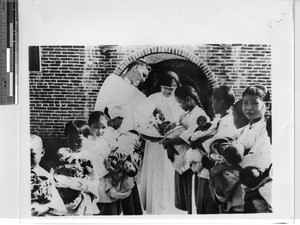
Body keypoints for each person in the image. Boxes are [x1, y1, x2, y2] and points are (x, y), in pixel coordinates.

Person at [140, 71, 184, 214]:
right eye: (165, 88)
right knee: (156, 171)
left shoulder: (178, 100)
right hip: (155, 144)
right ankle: (155, 207)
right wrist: (155, 127)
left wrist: (173, 127)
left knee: (169, 172)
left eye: (171, 89)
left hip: (172, 143)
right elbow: (144, 119)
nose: (168, 91)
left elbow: (182, 120)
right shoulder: (152, 99)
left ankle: (171, 207)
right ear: (160, 86)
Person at [162, 85, 210, 214]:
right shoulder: (187, 114)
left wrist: (168, 143)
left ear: (188, 99)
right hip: (181, 155)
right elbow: (177, 130)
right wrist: (170, 145)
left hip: (191, 159)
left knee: (192, 194)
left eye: (180, 102)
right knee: (184, 193)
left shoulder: (200, 115)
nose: (179, 106)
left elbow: (188, 136)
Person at [193, 85, 237, 214]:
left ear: (221, 102)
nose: (211, 104)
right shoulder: (219, 119)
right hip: (205, 170)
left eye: (213, 101)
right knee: (202, 207)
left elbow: (215, 143)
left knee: (209, 210)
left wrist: (197, 141)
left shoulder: (229, 121)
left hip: (213, 173)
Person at [94, 60, 164, 132]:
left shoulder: (131, 89)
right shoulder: (113, 80)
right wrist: (155, 109)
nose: (144, 80)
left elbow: (140, 101)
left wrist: (155, 110)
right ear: (136, 68)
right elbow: (99, 108)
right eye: (144, 75)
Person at [53, 120, 100, 216]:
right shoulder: (62, 152)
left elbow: (95, 179)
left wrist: (84, 185)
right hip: (63, 197)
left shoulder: (89, 156)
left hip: (82, 198)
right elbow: (54, 173)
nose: (74, 144)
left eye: (79, 140)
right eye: (71, 140)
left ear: (87, 138)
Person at [30, 134, 67, 216]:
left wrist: (43, 208)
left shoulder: (46, 176)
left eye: (32, 155)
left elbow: (56, 204)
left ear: (42, 153)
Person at [238, 85, 272, 170]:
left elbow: (256, 158)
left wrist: (225, 166)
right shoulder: (243, 130)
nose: (249, 108)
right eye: (245, 103)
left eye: (254, 103)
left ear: (267, 105)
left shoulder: (266, 130)